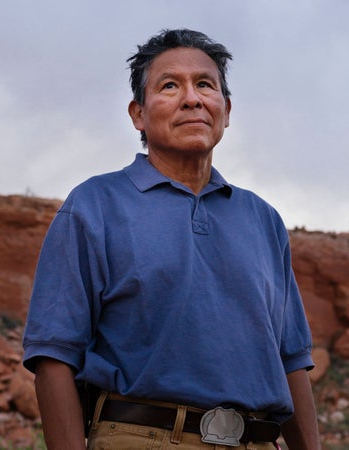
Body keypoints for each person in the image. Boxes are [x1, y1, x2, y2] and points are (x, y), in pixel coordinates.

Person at [23, 28, 322, 450]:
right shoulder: (95, 205)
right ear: (138, 114)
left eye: (205, 84)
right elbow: (54, 354)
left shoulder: (262, 220)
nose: (192, 98)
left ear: (227, 109)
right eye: (169, 86)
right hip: (142, 438)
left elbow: (290, 360)